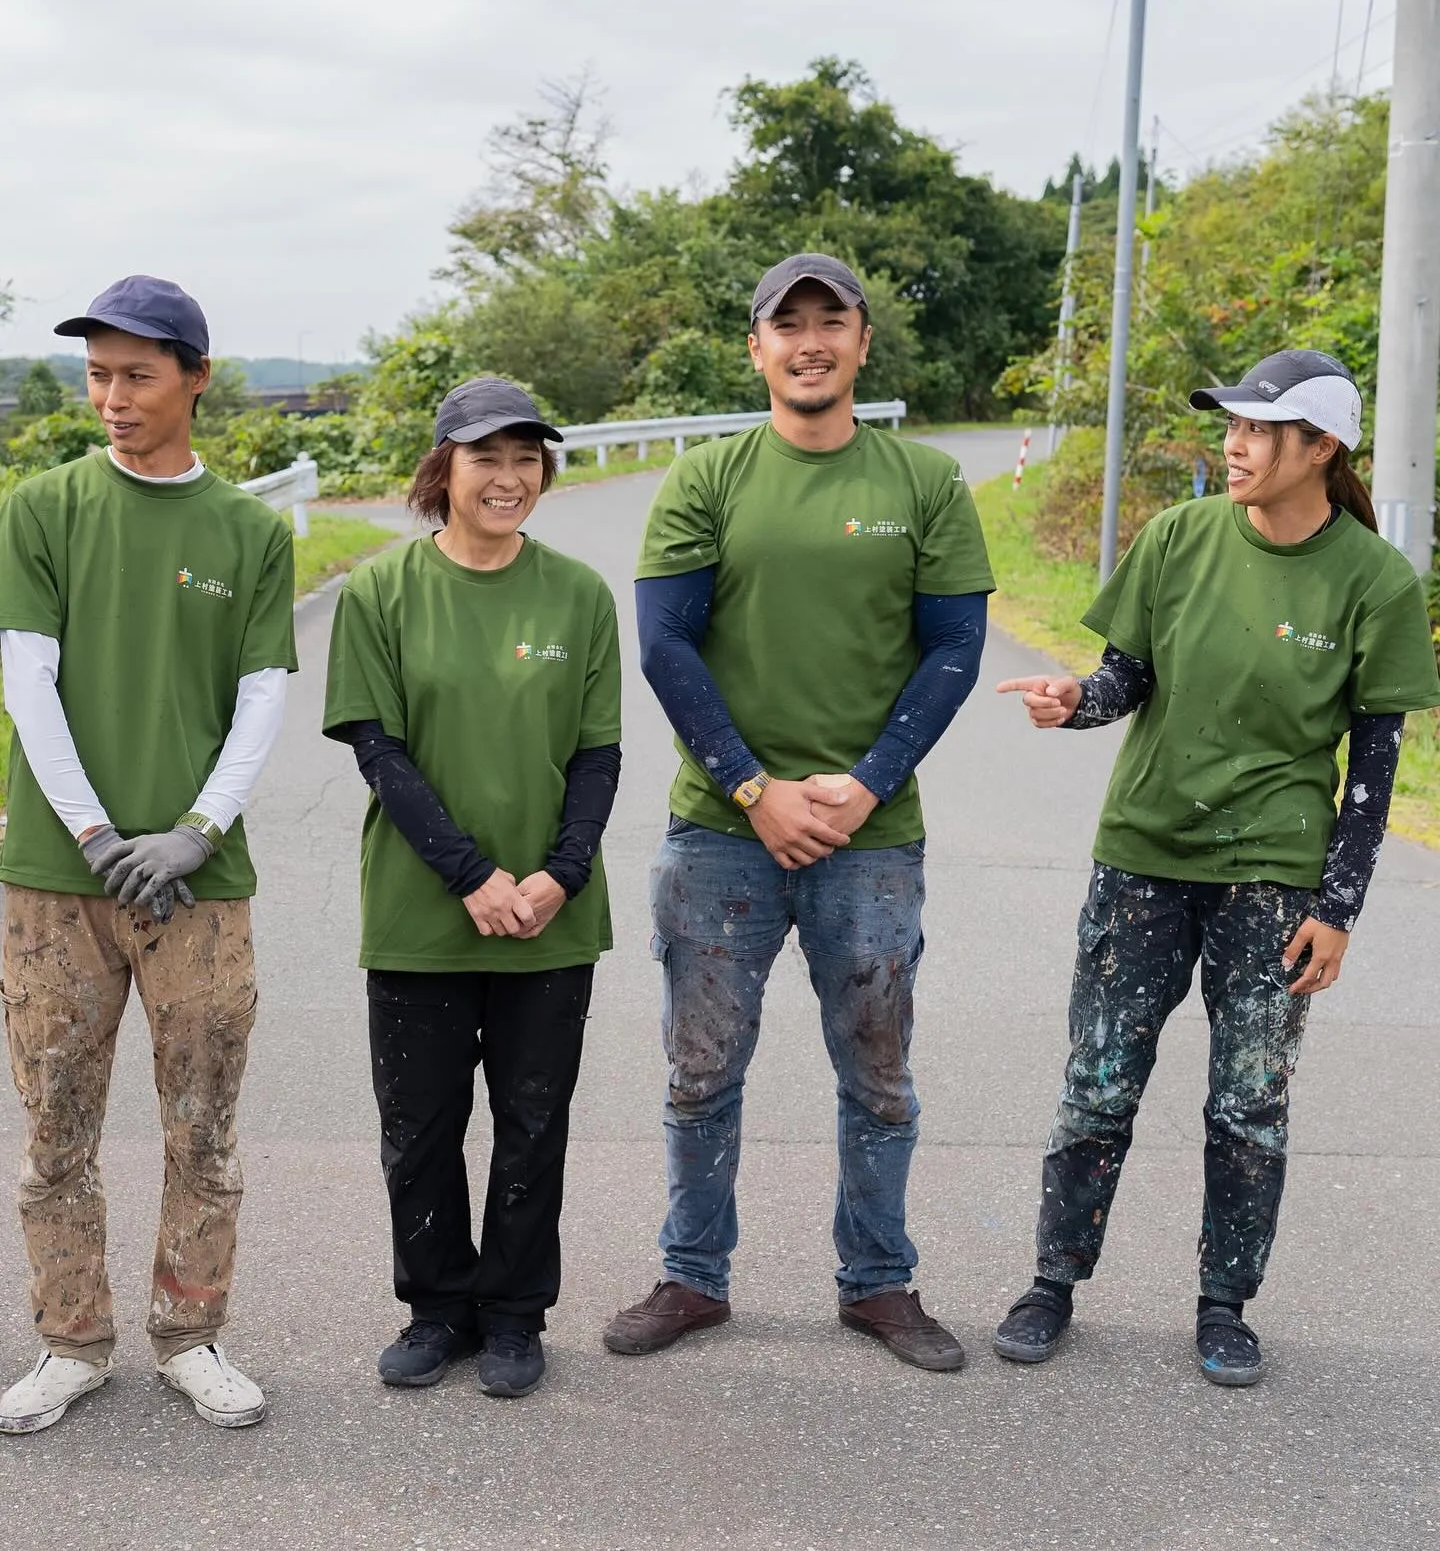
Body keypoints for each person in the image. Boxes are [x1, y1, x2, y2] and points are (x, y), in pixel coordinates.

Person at [991, 349, 1440, 1386]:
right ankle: (1053, 1278)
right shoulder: (1179, 537)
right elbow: (1126, 677)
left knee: (1249, 1102)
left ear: (1320, 448)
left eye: (1256, 429)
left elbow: (1374, 765)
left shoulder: (1375, 581)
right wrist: (1077, 703)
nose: (1232, 445)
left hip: (1274, 876)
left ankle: (1224, 1302)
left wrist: (1340, 909)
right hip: (1143, 853)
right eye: (1230, 426)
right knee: (1096, 1083)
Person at [603, 254, 994, 1371]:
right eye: (790, 323)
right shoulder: (708, 479)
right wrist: (751, 787)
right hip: (720, 832)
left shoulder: (924, 484)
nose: (811, 340)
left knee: (877, 1070)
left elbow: (955, 650)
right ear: (757, 347)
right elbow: (665, 643)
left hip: (870, 839)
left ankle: (878, 1281)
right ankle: (693, 1273)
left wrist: (865, 781)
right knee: (700, 1070)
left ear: (864, 342)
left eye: (833, 321)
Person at [0, 276, 296, 1433]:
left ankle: (191, 1332)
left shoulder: (251, 531)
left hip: (200, 884)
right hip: (53, 879)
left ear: (196, 379)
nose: (111, 397)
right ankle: (71, 1338)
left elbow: (263, 693)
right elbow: (29, 675)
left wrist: (196, 829)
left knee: (204, 1121)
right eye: (96, 374)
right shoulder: (41, 505)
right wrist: (93, 830)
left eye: (136, 374)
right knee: (54, 1120)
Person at [323, 376, 621, 1400]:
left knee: (536, 1123)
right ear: (441, 467)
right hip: (421, 913)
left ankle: (511, 1312)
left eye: (526, 457)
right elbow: (379, 747)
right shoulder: (380, 591)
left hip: (551, 915)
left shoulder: (579, 594)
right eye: (485, 456)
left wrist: (558, 874)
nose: (508, 476)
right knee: (421, 1127)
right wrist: (473, 875)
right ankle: (436, 1305)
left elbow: (597, 754)